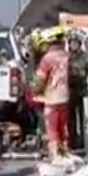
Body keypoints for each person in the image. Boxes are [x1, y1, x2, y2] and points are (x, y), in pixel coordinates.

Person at [31, 26, 70, 162]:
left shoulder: (47, 58)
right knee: (63, 127)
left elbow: (40, 80)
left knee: (52, 128)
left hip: (51, 98)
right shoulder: (66, 56)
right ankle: (65, 152)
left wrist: (34, 90)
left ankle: (55, 156)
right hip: (65, 97)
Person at [67, 31, 88, 149]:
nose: (74, 45)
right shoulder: (66, 57)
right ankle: (72, 141)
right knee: (70, 118)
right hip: (70, 90)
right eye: (72, 43)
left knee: (84, 118)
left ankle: (84, 142)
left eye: (76, 43)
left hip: (82, 90)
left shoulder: (85, 57)